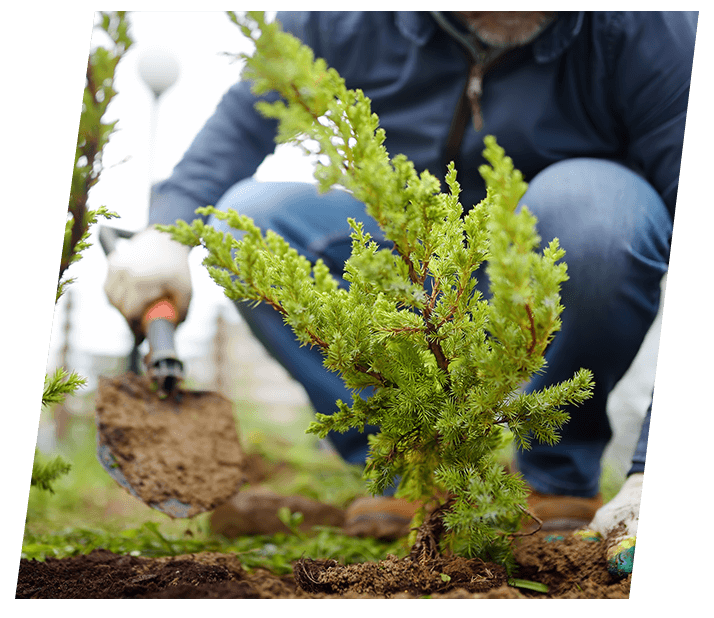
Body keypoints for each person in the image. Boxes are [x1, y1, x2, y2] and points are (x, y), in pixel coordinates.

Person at [104, 11, 697, 575]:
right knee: (241, 224)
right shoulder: (347, 19)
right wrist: (166, 228)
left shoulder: (649, 29)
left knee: (596, 210)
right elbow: (244, 120)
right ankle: (407, 464)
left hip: (552, 262)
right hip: (408, 258)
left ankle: (556, 474)